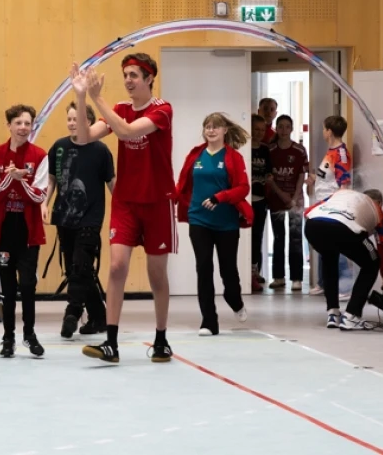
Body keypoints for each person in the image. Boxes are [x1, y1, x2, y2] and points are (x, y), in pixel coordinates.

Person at [70, 53, 175, 364]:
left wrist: (97, 98)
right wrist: (81, 95)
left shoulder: (162, 110)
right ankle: (111, 343)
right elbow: (83, 138)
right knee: (116, 267)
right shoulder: (119, 109)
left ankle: (161, 338)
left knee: (156, 274)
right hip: (126, 202)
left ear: (149, 78)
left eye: (134, 75)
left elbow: (128, 132)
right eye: (125, 75)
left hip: (157, 201)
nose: (128, 80)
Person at [176, 112, 254, 335]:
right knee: (203, 267)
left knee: (228, 271)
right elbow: (182, 184)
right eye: (207, 127)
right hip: (198, 219)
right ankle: (209, 321)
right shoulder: (196, 155)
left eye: (215, 127)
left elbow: (243, 188)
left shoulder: (233, 157)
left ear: (224, 131)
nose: (210, 130)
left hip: (226, 223)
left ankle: (235, 301)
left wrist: (220, 197)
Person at [44, 101, 115, 339]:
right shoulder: (59, 147)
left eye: (78, 119)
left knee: (81, 266)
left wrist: (126, 209)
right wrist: (44, 203)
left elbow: (111, 183)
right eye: (70, 119)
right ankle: (99, 317)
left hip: (90, 218)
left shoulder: (101, 151)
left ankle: (72, 311)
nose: (72, 123)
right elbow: (51, 179)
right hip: (64, 217)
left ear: (90, 122)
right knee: (78, 270)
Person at [0, 104, 48, 358]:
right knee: (8, 288)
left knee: (29, 284)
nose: (23, 127)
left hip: (28, 230)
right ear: (9, 125)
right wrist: (11, 178)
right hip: (4, 230)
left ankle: (29, 335)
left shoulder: (39, 155)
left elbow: (39, 196)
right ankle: (8, 338)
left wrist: (20, 181)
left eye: (27, 123)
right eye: (18, 123)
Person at [304, 188, 383, 330]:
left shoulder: (342, 194)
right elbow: (382, 247)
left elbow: (308, 212)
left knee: (329, 257)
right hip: (343, 228)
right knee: (373, 263)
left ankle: (333, 313)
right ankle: (351, 315)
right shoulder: (377, 210)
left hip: (312, 226)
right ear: (379, 203)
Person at [307, 115, 352, 296]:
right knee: (322, 243)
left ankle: (345, 286)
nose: (323, 132)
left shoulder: (341, 154)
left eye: (324, 129)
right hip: (322, 206)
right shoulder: (330, 152)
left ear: (330, 132)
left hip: (332, 208)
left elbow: (344, 183)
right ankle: (323, 282)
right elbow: (328, 177)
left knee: (335, 245)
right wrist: (313, 179)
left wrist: (338, 207)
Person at [266, 115, 308, 291]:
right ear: (276, 129)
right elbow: (269, 177)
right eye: (280, 127)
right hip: (276, 199)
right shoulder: (270, 150)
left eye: (287, 127)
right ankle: (278, 277)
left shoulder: (299, 150)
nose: (284, 130)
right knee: (278, 238)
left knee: (296, 238)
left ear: (292, 129)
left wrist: (294, 198)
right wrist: (281, 195)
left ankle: (297, 278)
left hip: (295, 201)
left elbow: (301, 176)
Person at [249, 115, 271, 291]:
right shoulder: (244, 147)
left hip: (260, 199)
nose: (259, 133)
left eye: (262, 130)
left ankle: (255, 271)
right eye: (256, 129)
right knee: (246, 236)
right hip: (245, 200)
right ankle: (246, 271)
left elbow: (269, 173)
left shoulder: (265, 149)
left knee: (257, 236)